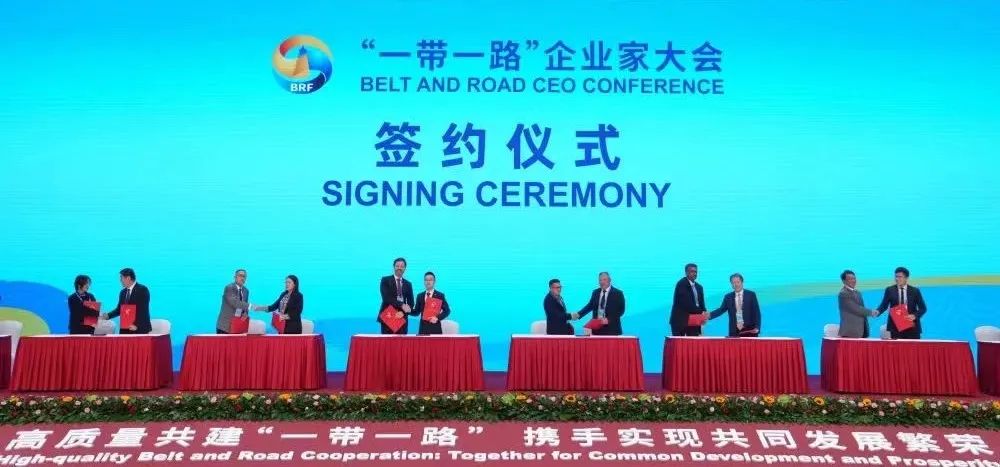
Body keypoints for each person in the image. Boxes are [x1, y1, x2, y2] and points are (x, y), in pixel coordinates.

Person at [874, 266, 927, 339]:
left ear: (906, 278)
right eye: (896, 276)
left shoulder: (915, 291)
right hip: (895, 327)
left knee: (912, 346)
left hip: (912, 326)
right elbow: (884, 305)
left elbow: (923, 308)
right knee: (897, 346)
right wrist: (878, 311)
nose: (897, 279)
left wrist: (914, 316)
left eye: (900, 277)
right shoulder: (890, 290)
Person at [708, 273, 761, 337]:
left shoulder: (751, 295)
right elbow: (721, 310)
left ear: (742, 282)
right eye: (733, 283)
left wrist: (757, 327)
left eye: (738, 282)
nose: (736, 285)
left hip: (750, 331)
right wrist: (708, 316)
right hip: (734, 331)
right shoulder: (728, 297)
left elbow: (757, 312)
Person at [101, 268, 151, 334]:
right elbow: (119, 309)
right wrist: (107, 316)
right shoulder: (123, 292)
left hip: (139, 328)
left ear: (128, 278)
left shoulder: (142, 290)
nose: (120, 280)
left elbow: (143, 310)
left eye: (121, 278)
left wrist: (137, 325)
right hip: (125, 328)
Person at [378, 257, 415, 334]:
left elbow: (411, 303)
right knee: (386, 341)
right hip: (388, 316)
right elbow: (386, 298)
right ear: (394, 267)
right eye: (397, 266)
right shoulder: (385, 280)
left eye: (402, 266)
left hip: (402, 318)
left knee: (401, 341)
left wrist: (403, 312)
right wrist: (401, 305)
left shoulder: (408, 284)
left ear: (405, 268)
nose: (399, 268)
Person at [837, 270, 876, 338]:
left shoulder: (858, 292)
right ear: (844, 281)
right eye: (850, 279)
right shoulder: (843, 293)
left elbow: (861, 308)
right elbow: (856, 309)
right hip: (850, 332)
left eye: (854, 278)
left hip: (862, 330)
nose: (853, 280)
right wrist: (871, 312)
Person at [670, 263, 707, 336]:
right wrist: (701, 313)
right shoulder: (681, 284)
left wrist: (704, 313)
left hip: (694, 321)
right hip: (680, 321)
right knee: (680, 342)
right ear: (686, 272)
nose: (695, 274)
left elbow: (702, 304)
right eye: (692, 271)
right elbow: (686, 304)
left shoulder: (699, 287)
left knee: (694, 341)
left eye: (696, 272)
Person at [216, 269, 251, 334]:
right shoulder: (229, 288)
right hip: (225, 326)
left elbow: (245, 306)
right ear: (235, 277)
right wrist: (253, 307)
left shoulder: (246, 291)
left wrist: (245, 313)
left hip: (237, 326)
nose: (242, 278)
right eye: (240, 275)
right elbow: (235, 303)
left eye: (244, 276)